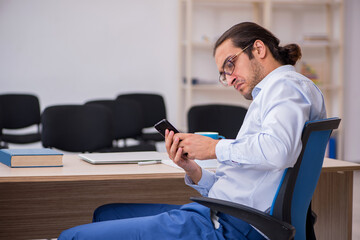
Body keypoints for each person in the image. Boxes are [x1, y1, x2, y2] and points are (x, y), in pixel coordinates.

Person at [58, 22, 326, 240]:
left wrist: (213, 148)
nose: (229, 78)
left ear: (258, 49)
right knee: (106, 213)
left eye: (230, 65)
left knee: (73, 236)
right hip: (225, 214)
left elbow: (279, 152)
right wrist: (194, 170)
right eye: (223, 73)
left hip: (232, 226)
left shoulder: (285, 87)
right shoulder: (273, 93)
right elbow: (248, 184)